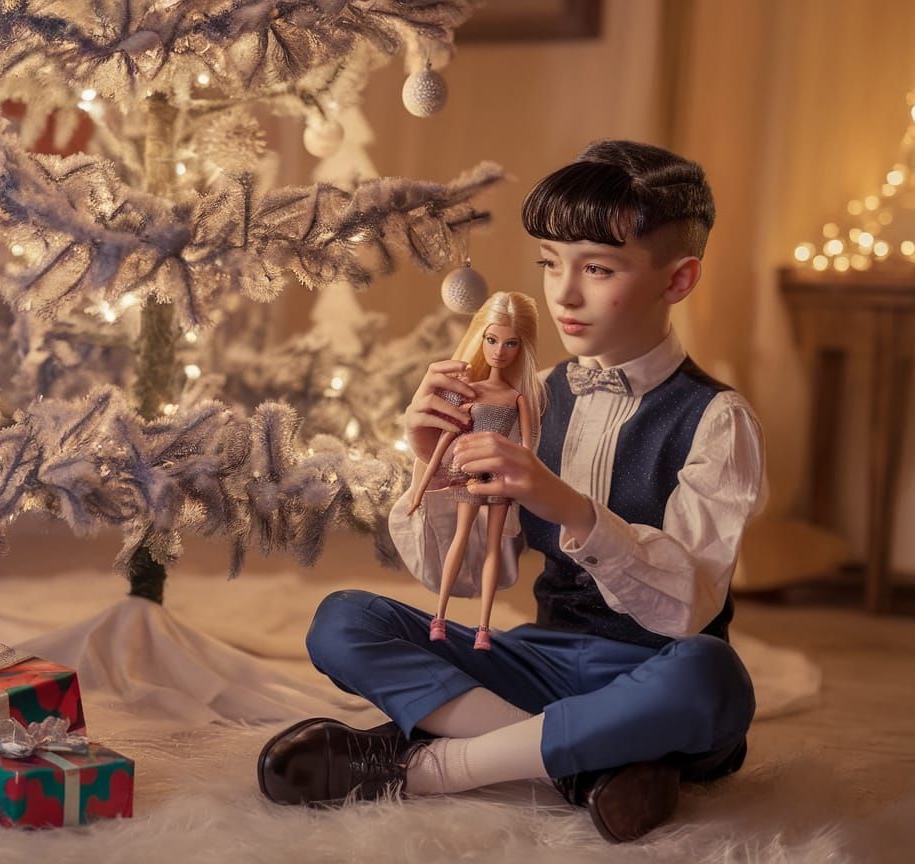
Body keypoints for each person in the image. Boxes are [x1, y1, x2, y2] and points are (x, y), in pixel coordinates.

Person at [256, 140, 765, 844]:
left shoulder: (717, 419)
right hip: (542, 660)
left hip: (656, 676)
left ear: (677, 282)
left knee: (715, 677)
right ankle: (587, 769)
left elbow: (687, 610)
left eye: (598, 268)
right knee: (343, 621)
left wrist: (566, 504)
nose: (564, 293)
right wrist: (429, 462)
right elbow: (459, 579)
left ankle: (430, 767)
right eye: (551, 264)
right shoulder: (538, 396)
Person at [405, 292, 543, 651]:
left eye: (510, 343)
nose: (499, 351)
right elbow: (443, 441)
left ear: (521, 348)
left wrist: (525, 483)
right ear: (481, 339)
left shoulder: (518, 399)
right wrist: (420, 490)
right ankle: (440, 616)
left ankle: (483, 628)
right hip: (467, 474)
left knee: (493, 546)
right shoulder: (470, 392)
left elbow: (527, 448)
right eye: (492, 340)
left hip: (498, 478)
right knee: (460, 539)